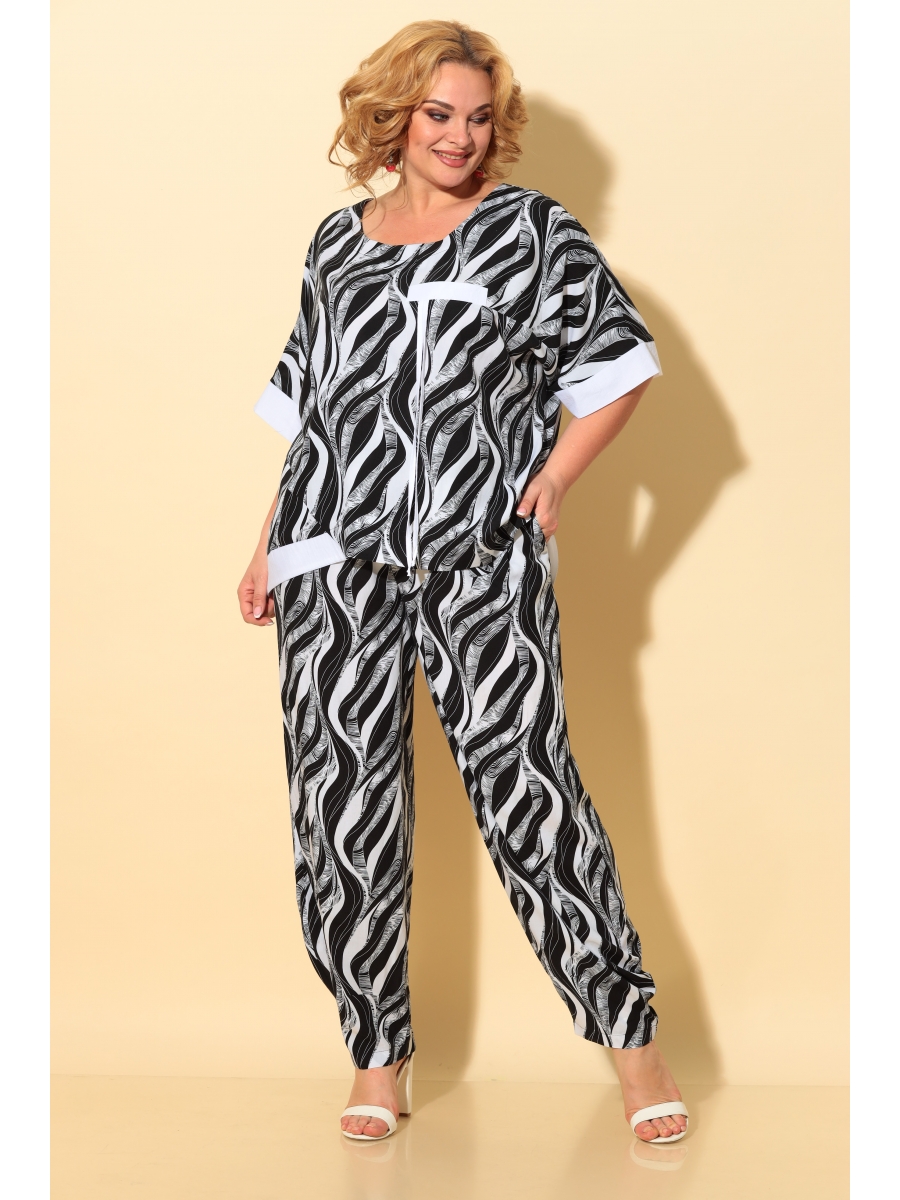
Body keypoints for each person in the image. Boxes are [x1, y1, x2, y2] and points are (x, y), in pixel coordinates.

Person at [238, 19, 688, 1147]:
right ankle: (376, 1061)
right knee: (342, 806)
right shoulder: (335, 244)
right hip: (332, 558)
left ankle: (636, 1054)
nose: (460, 136)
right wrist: (266, 541)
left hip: (477, 560)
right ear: (393, 117)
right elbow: (319, 411)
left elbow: (619, 366)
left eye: (480, 118)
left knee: (532, 795)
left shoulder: (532, 233)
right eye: (438, 114)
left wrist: (556, 478)